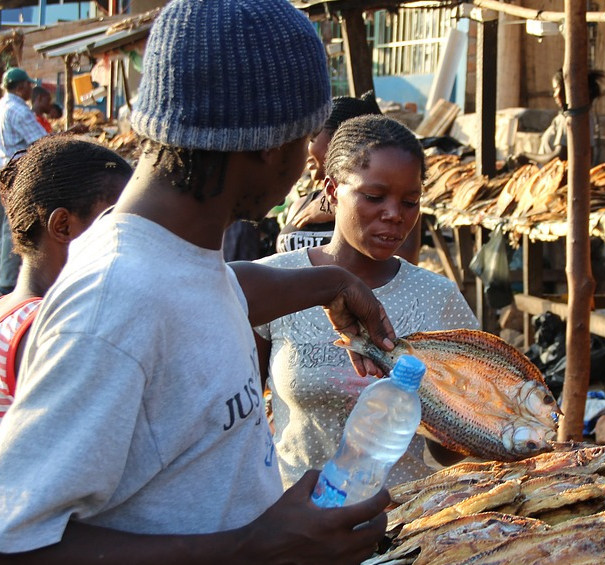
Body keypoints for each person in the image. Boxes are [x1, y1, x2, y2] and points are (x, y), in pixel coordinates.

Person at [0, 1, 395, 563]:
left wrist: (330, 283)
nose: (308, 164)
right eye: (307, 141)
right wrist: (255, 548)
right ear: (268, 143)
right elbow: (15, 542)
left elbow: (206, 293)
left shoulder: (168, 252)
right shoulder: (111, 304)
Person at [256, 114, 479, 490]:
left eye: (410, 202)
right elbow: (237, 416)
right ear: (331, 190)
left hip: (402, 516)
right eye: (374, 197)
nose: (394, 214)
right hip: (295, 513)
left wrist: (441, 401)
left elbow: (449, 454)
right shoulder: (277, 282)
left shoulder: (438, 298)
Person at [0, 137, 131, 420]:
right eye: (115, 222)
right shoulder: (54, 329)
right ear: (63, 226)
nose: (128, 236)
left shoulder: (8, 309)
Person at [278, 90, 383, 253]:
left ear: (340, 141)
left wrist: (343, 210)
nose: (305, 149)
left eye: (311, 139)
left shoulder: (386, 208)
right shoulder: (301, 204)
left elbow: (401, 261)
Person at [0, 67, 46, 295]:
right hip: (17, 173)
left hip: (4, 169)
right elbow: (42, 143)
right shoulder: (19, 110)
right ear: (20, 87)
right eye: (28, 85)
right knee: (13, 227)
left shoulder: (2, 105)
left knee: (5, 226)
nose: (30, 88)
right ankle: (8, 283)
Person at [512, 68, 604, 166]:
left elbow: (560, 157)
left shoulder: (567, 118)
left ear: (567, 89)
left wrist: (526, 155)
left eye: (556, 89)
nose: (554, 95)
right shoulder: (586, 116)